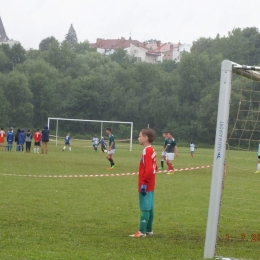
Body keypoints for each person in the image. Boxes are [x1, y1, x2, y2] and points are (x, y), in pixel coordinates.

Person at [129, 128, 157, 238]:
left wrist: (144, 183)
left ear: (145, 138)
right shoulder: (152, 150)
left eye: (140, 136)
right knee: (149, 207)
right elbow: (155, 167)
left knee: (145, 208)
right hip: (151, 183)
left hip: (146, 184)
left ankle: (141, 231)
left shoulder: (147, 151)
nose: (138, 138)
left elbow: (150, 169)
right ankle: (149, 229)